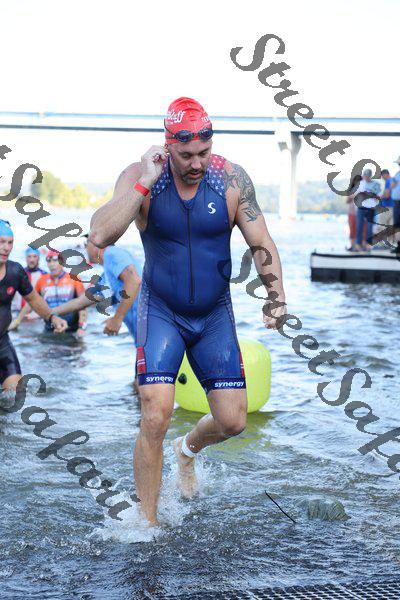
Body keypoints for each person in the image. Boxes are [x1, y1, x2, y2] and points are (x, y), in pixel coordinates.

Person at [90, 97, 287, 526]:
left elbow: (261, 242)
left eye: (204, 152)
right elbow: (100, 234)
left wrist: (277, 297)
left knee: (233, 421)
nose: (197, 163)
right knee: (155, 413)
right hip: (161, 310)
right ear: (168, 145)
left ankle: (186, 451)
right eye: (186, 155)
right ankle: (147, 525)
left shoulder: (231, 179)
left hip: (214, 315)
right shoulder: (140, 176)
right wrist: (145, 182)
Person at [50, 239, 142, 386]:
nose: (85, 249)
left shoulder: (112, 253)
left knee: (145, 389)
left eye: (86, 244)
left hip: (151, 331)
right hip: (141, 338)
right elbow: (82, 301)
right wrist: (49, 313)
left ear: (96, 243)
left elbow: (134, 280)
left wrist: (117, 319)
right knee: (137, 385)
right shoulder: (106, 275)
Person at [0, 220, 67, 391]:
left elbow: (34, 299)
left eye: (10, 243)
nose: (6, 248)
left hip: (2, 342)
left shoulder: (15, 271)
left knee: (15, 393)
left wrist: (52, 317)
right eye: (2, 242)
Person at [11, 250, 88, 335]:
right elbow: (31, 301)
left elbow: (83, 305)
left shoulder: (74, 278)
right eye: (49, 261)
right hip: (49, 329)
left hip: (72, 330)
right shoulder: (42, 280)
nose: (52, 264)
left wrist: (82, 327)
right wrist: (17, 321)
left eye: (55, 260)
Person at [11, 247, 47, 322]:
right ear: (26, 258)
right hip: (17, 314)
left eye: (34, 256)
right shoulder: (18, 273)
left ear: (39, 258)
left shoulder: (45, 275)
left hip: (36, 315)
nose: (32, 260)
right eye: (29, 256)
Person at [353, 168, 381, 252]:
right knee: (359, 227)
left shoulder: (376, 184)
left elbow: (379, 196)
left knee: (369, 228)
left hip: (371, 208)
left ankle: (368, 246)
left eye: (368, 176)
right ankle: (358, 245)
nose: (366, 177)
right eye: (365, 176)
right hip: (361, 208)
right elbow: (355, 195)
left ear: (370, 176)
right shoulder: (360, 183)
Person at [374, 169, 394, 247]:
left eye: (382, 176)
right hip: (393, 207)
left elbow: (387, 195)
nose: (382, 178)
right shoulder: (394, 181)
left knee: (381, 225)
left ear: (385, 174)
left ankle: (381, 244)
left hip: (386, 207)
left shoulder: (388, 181)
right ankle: (389, 244)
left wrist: (378, 197)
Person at [345, 174, 362, 251]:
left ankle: (359, 246)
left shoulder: (363, 189)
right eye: (356, 181)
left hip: (360, 212)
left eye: (359, 181)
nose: (357, 182)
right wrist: (352, 196)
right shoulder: (351, 190)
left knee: (360, 229)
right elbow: (347, 201)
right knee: (352, 229)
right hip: (351, 212)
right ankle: (352, 246)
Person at [390, 156, 400, 253]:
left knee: (397, 224)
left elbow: (392, 186)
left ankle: (399, 246)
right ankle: (398, 246)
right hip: (396, 202)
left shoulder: (397, 175)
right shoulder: (397, 174)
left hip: (398, 202)